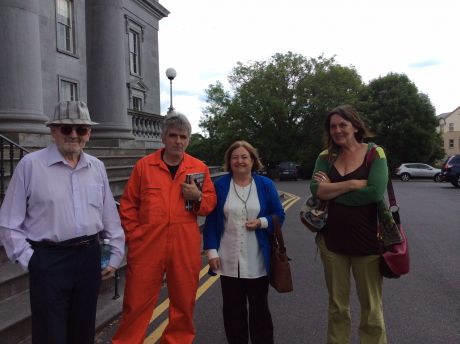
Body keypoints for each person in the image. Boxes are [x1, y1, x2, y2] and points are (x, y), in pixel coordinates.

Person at [0, 100, 125, 344]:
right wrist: (32, 260)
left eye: (82, 129)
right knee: (50, 334)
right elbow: (8, 222)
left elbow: (109, 216)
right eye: (67, 129)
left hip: (89, 257)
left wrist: (115, 254)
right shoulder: (30, 165)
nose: (75, 135)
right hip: (49, 259)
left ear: (89, 134)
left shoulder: (97, 167)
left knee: (83, 331)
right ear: (53, 130)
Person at [112, 111, 217, 344]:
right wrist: (136, 236)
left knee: (184, 301)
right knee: (136, 303)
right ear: (163, 137)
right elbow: (128, 206)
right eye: (173, 136)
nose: (178, 141)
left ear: (188, 139)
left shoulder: (198, 168)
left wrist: (198, 196)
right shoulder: (144, 167)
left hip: (184, 244)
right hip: (148, 245)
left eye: (183, 136)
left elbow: (209, 206)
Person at [310, 105, 389, 344]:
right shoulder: (325, 156)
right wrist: (353, 184)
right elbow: (316, 190)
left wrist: (331, 191)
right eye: (333, 126)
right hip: (331, 243)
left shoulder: (375, 154)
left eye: (342, 125)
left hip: (368, 243)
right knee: (337, 308)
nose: (337, 130)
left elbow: (375, 193)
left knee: (372, 311)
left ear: (355, 126)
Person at [203, 140, 285, 344]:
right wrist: (212, 252)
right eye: (235, 157)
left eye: (244, 157)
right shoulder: (220, 185)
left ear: (253, 160)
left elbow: (279, 214)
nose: (239, 161)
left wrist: (262, 222)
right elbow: (212, 221)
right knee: (232, 312)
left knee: (260, 311)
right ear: (229, 161)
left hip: (258, 259)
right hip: (228, 259)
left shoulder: (265, 185)